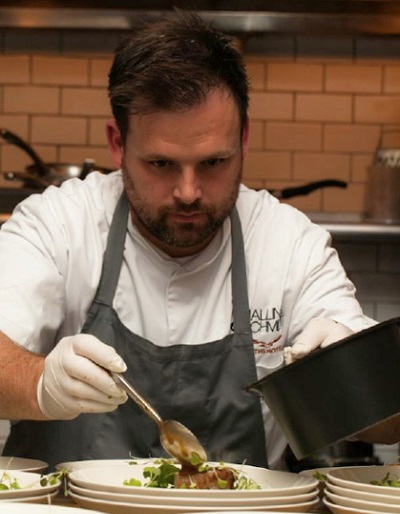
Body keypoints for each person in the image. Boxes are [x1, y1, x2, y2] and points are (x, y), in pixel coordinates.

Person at [0, 10, 398, 472]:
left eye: (213, 163)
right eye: (161, 164)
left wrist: (354, 378)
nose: (188, 192)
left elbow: (391, 426)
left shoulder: (290, 245)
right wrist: (41, 384)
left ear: (244, 140)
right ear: (117, 144)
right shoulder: (59, 224)